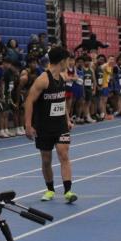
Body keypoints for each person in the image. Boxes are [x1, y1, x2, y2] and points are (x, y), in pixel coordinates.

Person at [24, 46, 77, 204]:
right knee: (46, 159)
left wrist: (67, 119)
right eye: (67, 60)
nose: (69, 63)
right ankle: (50, 189)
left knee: (63, 154)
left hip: (60, 125)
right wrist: (28, 125)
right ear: (62, 61)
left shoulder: (62, 77)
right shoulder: (43, 80)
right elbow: (29, 101)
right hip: (44, 126)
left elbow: (61, 100)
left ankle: (68, 191)